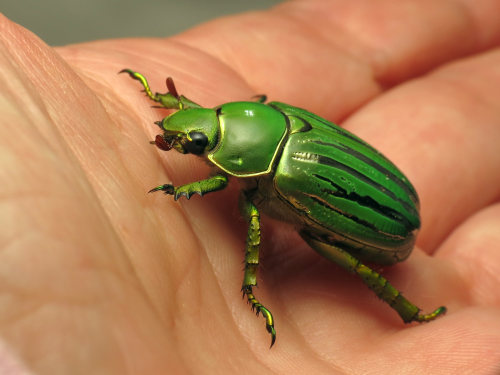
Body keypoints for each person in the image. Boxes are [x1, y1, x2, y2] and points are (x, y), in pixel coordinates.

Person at [1, 1, 500, 373]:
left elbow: (241, 205)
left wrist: (186, 196)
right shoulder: (269, 113)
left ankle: (406, 310)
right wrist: (167, 105)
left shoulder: (266, 177)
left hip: (383, 227)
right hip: (380, 181)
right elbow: (221, 125)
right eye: (199, 134)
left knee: (338, 254)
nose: (189, 144)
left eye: (196, 145)